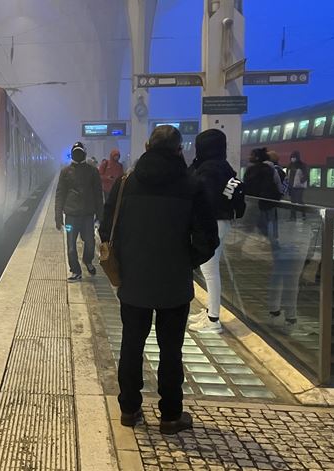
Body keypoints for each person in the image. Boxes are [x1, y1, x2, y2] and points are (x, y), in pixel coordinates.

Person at [99, 126, 218, 434]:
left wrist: (129, 260)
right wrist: (185, 262)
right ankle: (170, 415)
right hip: (174, 285)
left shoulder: (126, 184)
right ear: (180, 150)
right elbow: (208, 239)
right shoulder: (192, 185)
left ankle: (129, 410)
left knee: (131, 345)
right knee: (170, 350)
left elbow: (105, 228)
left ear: (148, 146)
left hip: (134, 282)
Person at [187, 129, 244, 334]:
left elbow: (205, 199)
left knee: (209, 271)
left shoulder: (209, 169)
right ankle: (211, 310)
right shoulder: (222, 166)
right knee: (209, 270)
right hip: (221, 220)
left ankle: (213, 320)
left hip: (213, 221)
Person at [55, 141, 103, 282]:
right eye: (76, 151)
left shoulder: (93, 171)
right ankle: (76, 271)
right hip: (70, 216)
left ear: (84, 153)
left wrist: (100, 216)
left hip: (88, 215)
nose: (78, 153)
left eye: (80, 151)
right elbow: (60, 194)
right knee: (71, 246)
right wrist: (58, 217)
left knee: (90, 243)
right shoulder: (65, 172)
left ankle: (87, 261)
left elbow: (98, 194)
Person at [244, 147, 282, 246]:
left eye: (251, 154)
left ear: (256, 157)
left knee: (257, 224)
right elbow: (277, 184)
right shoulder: (270, 169)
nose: (249, 156)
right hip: (268, 201)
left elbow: (247, 186)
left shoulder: (251, 169)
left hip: (255, 202)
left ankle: (266, 242)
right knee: (269, 222)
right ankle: (272, 242)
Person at [286, 151, 308, 220]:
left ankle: (303, 214)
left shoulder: (302, 165)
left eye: (294, 157)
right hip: (291, 186)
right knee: (292, 202)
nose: (293, 159)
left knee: (299, 200)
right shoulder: (289, 165)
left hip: (299, 186)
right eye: (292, 157)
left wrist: (302, 180)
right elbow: (287, 174)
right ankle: (293, 216)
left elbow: (306, 175)